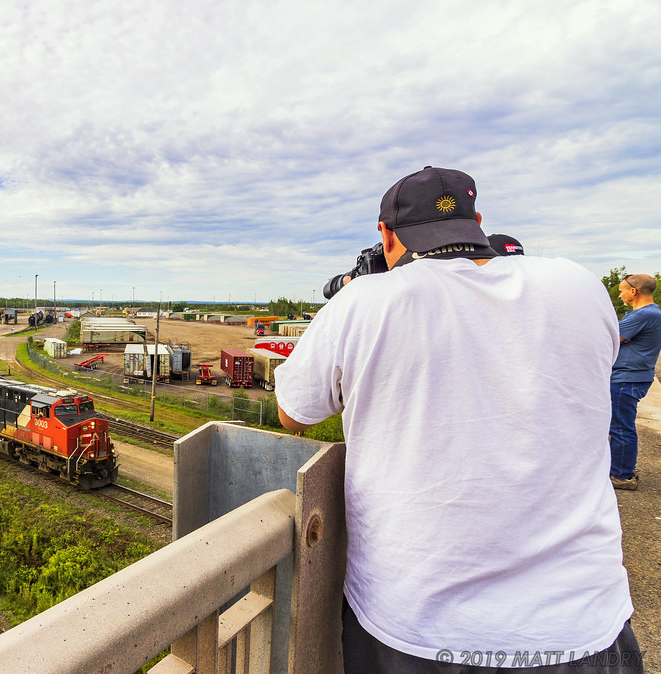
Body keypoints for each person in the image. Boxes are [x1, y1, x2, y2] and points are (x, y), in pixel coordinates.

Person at [276, 166, 640, 672]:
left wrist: (361, 291)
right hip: (581, 622)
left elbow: (293, 413)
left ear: (386, 234)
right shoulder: (577, 284)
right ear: (478, 222)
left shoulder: (363, 301)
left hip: (418, 628)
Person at [609, 273, 661, 490]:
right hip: (633, 377)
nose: (620, 295)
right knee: (620, 425)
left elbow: (609, 339)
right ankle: (620, 468)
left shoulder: (643, 315)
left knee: (620, 427)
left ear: (634, 290)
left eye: (622, 291)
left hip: (626, 378)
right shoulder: (652, 313)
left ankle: (622, 475)